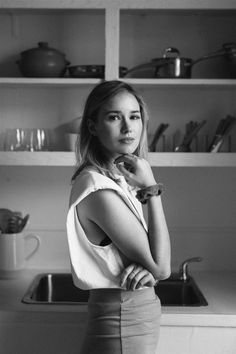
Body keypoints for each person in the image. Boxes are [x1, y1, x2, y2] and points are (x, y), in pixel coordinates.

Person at [66, 80, 171, 354]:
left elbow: (155, 267)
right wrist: (153, 191)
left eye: (134, 117)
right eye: (114, 117)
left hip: (128, 316)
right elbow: (162, 268)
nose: (128, 127)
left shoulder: (116, 180)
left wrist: (151, 267)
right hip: (122, 319)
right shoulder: (98, 189)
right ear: (93, 126)